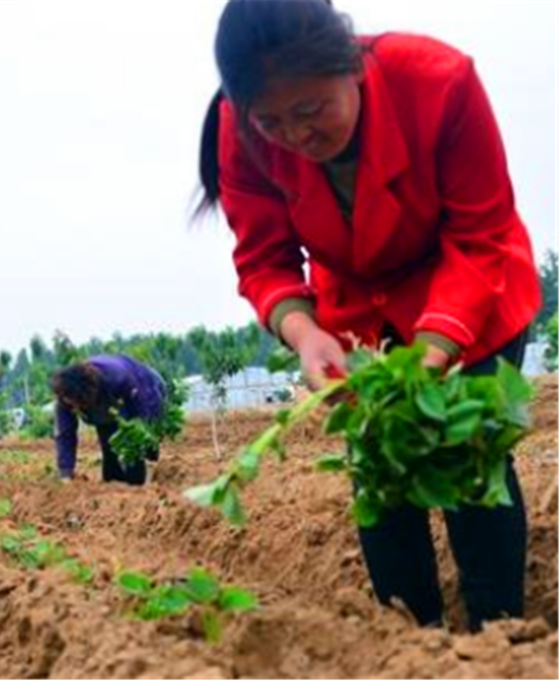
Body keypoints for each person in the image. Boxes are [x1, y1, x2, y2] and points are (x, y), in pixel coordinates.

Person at [196, 0, 540, 631]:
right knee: (380, 468)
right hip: (357, 318)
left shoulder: (439, 81)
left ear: (351, 64)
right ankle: (407, 644)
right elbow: (264, 258)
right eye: (271, 121)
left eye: (310, 110)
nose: (295, 136)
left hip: (472, 292)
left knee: (468, 457)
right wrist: (304, 333)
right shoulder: (236, 127)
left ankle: (499, 642)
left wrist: (431, 353)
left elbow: (481, 233)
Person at [52, 355, 167, 486]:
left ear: (85, 397)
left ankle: (142, 482)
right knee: (109, 452)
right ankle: (114, 484)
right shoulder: (65, 396)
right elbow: (65, 433)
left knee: (135, 450)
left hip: (143, 387)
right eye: (69, 405)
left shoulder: (118, 379)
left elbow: (143, 410)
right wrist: (66, 473)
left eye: (76, 404)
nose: (73, 409)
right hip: (107, 407)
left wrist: (145, 444)